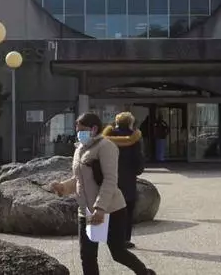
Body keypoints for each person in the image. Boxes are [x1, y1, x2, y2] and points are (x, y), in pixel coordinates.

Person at [51, 113, 156, 275]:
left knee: (118, 252)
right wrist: (62, 187)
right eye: (77, 130)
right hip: (86, 210)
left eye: (82, 130)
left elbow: (110, 180)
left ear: (94, 129)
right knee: (87, 255)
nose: (79, 133)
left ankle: (144, 272)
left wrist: (100, 208)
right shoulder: (79, 149)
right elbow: (79, 179)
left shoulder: (106, 147)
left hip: (111, 209)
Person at [102, 112, 144, 249]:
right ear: (130, 123)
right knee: (127, 210)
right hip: (127, 179)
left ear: (116, 122)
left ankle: (109, 237)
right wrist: (137, 170)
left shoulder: (107, 137)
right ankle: (124, 239)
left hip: (109, 177)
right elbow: (138, 159)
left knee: (109, 208)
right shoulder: (134, 138)